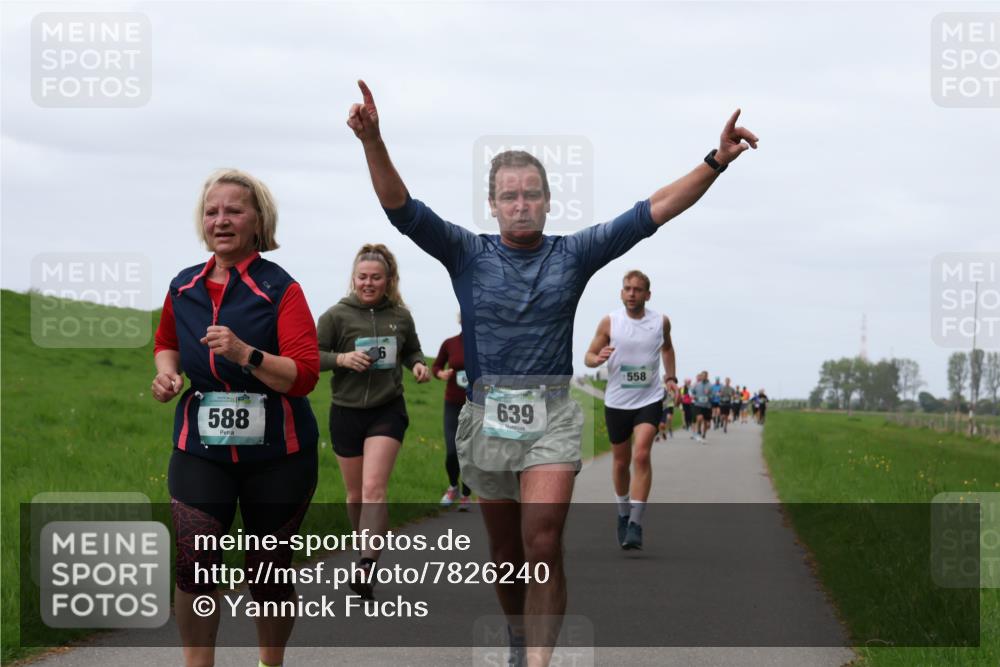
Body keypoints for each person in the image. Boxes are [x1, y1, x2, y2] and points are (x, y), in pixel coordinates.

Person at [346, 79, 757, 666]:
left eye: (532, 194)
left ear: (548, 202)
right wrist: (373, 141)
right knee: (507, 556)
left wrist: (715, 161)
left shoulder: (573, 253)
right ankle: (518, 640)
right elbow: (401, 209)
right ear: (493, 204)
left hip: (552, 417)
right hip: (486, 417)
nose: (521, 204)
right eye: (509, 196)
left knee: (541, 542)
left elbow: (654, 210)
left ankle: (538, 660)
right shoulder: (466, 253)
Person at [152, 168, 320, 667]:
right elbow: (165, 343)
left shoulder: (281, 289)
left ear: (258, 221)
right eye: (212, 211)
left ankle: (270, 662)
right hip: (201, 448)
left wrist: (247, 354)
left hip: (279, 454)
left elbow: (305, 375)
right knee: (195, 560)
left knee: (268, 570)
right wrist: (167, 375)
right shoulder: (183, 286)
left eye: (234, 211)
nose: (220, 220)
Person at [316, 243, 431, 599]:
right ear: (353, 278)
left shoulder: (400, 316)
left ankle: (367, 564)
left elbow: (412, 349)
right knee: (355, 495)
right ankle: (362, 546)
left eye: (376, 278)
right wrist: (342, 360)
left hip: (387, 409)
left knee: (373, 489)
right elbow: (311, 356)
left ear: (389, 280)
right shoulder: (335, 316)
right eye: (362, 277)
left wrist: (418, 364)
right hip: (345, 411)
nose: (368, 283)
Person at [584, 270, 676, 550]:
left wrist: (670, 378)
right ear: (621, 293)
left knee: (642, 454)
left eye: (637, 289)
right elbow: (588, 356)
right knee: (621, 462)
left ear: (648, 294)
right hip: (617, 402)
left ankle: (635, 523)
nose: (632, 293)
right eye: (627, 288)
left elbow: (667, 349)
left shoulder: (660, 322)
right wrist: (596, 359)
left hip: (649, 398)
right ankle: (623, 513)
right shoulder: (610, 322)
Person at [432, 321, 473, 511]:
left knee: (470, 452)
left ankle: (466, 495)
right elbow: (436, 366)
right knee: (452, 451)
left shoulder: (484, 344)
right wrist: (441, 374)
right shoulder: (450, 343)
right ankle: (453, 487)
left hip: (476, 405)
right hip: (453, 404)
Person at [690, 371, 713, 443]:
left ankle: (704, 434)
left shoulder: (710, 385)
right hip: (698, 404)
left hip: (707, 406)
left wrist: (709, 395)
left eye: (705, 376)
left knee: (706, 422)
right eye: (702, 376)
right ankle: (698, 431)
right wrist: (693, 396)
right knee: (699, 418)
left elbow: (713, 395)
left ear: (707, 376)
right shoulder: (697, 384)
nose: (703, 377)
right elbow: (691, 391)